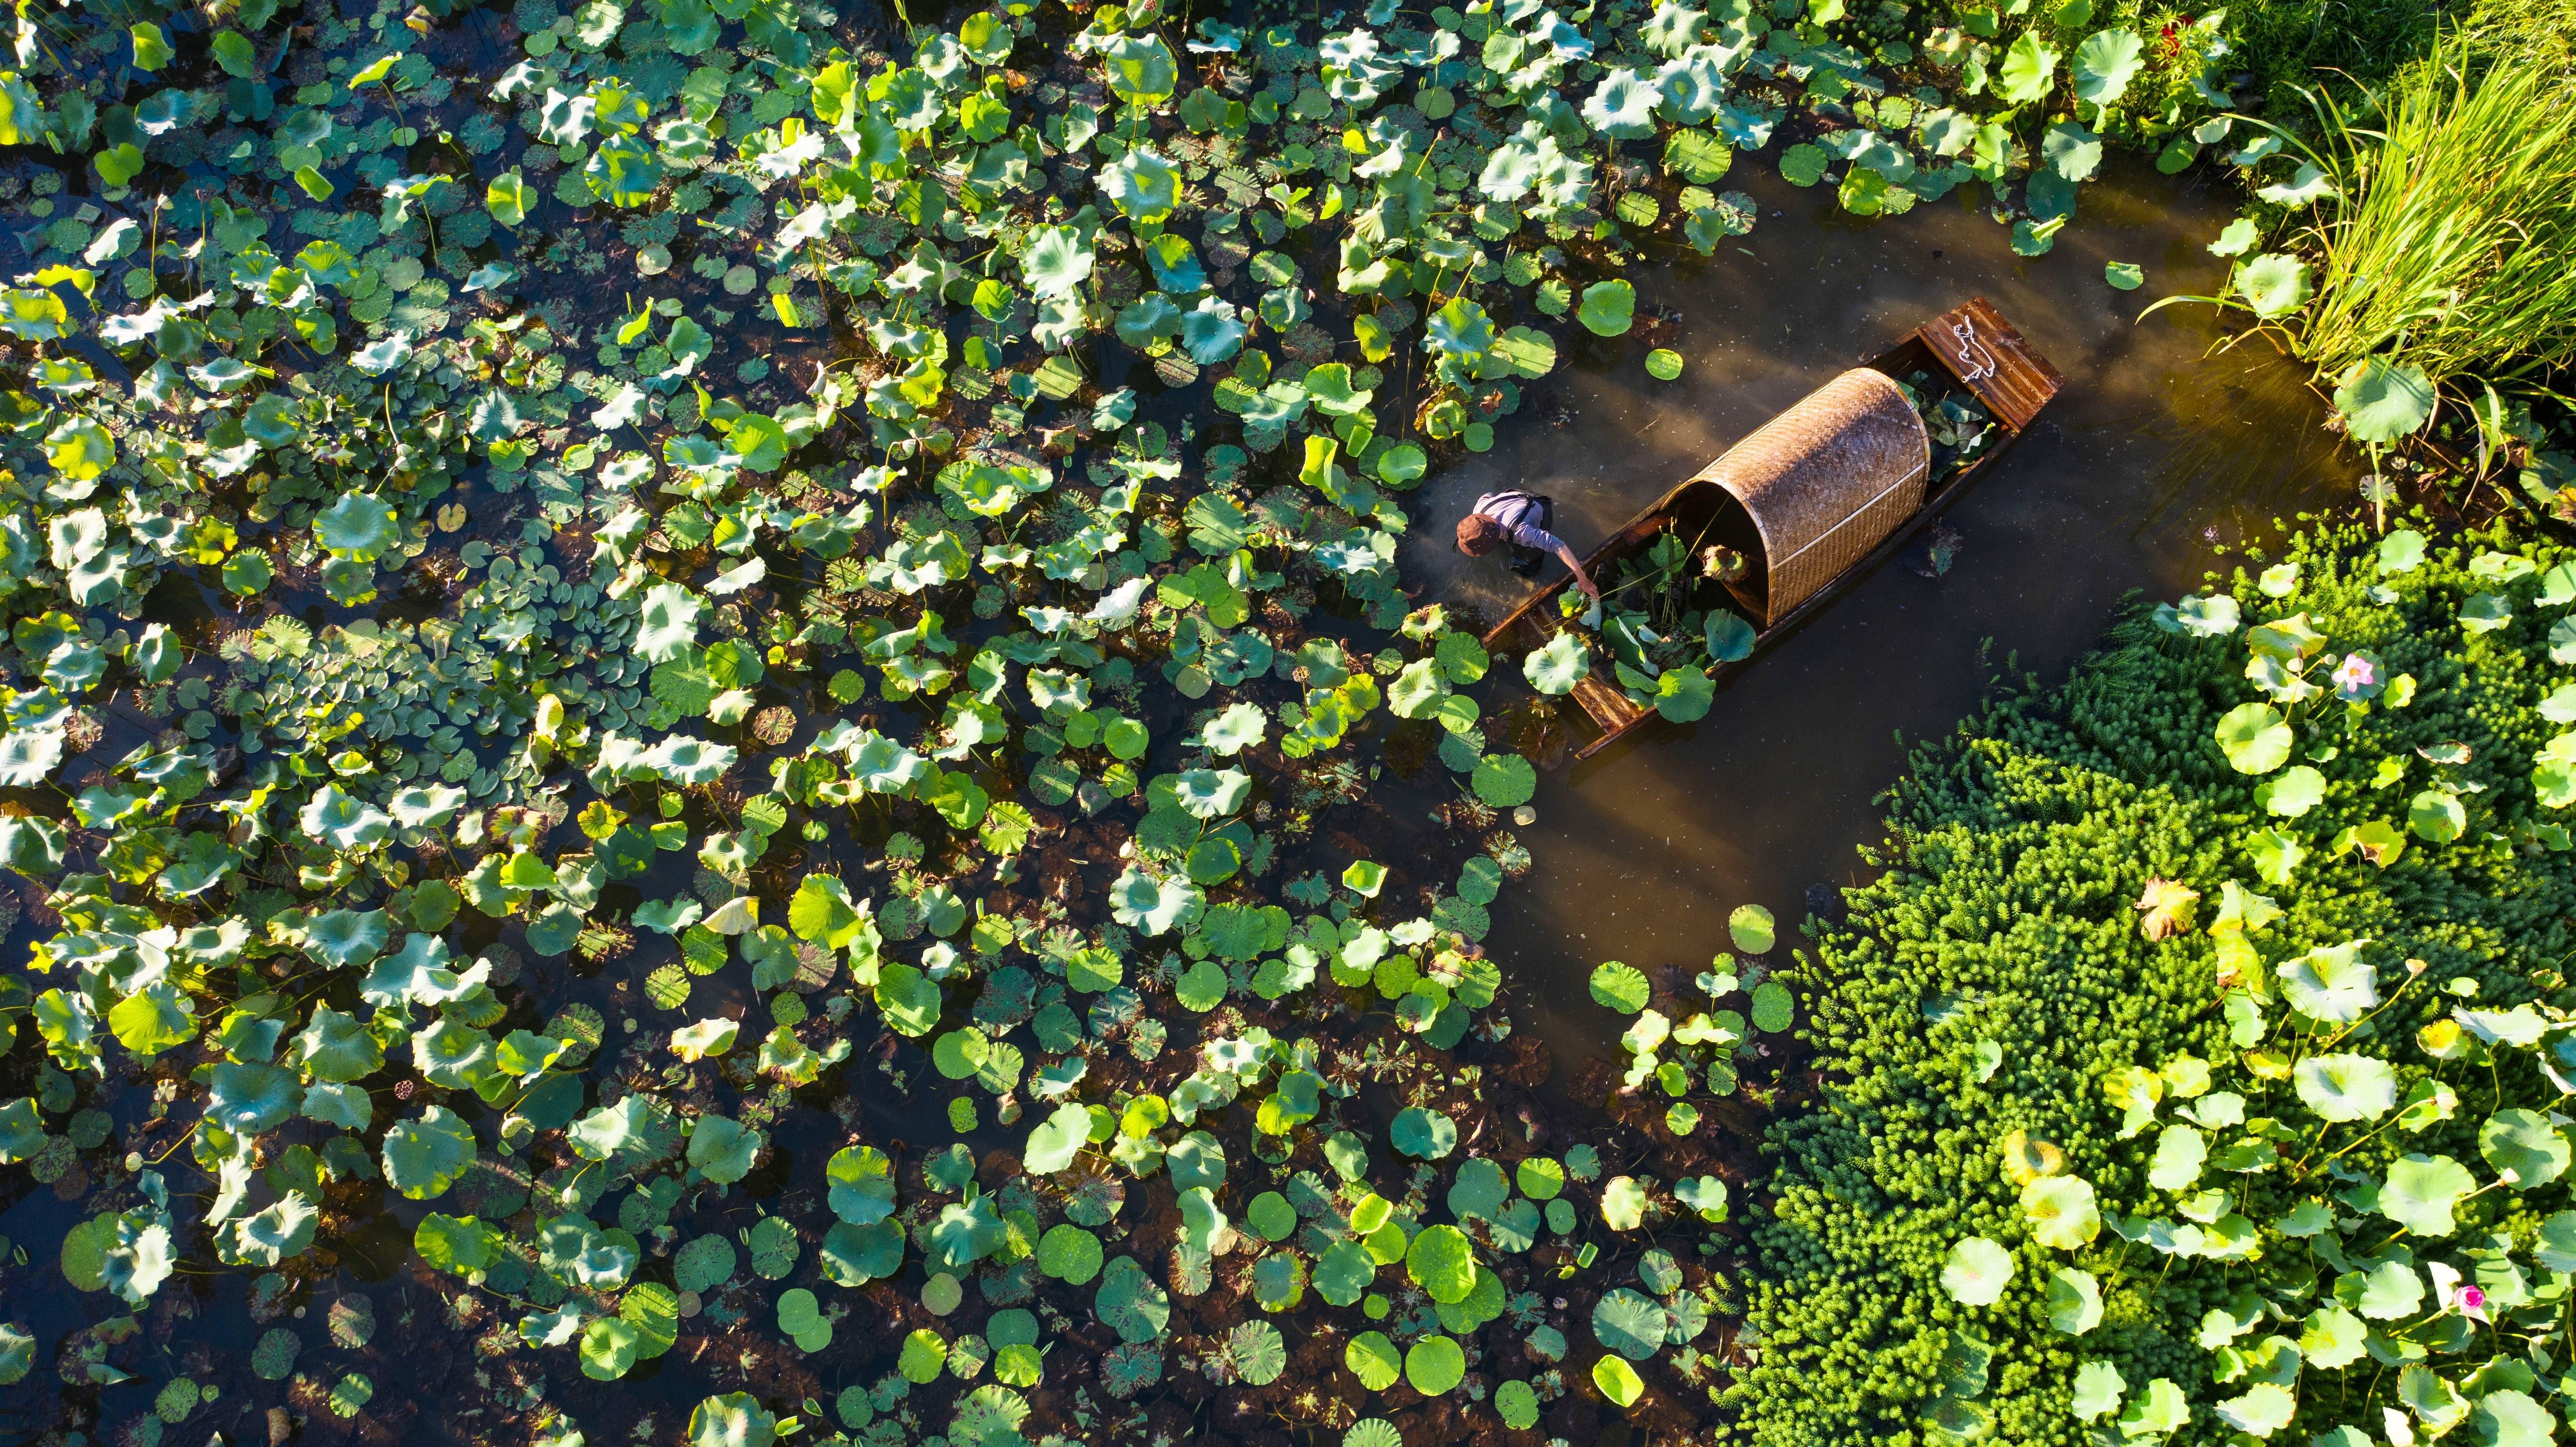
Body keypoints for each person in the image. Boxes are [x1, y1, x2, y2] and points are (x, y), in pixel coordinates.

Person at [1455, 490, 1600, 600]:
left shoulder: (1522, 533)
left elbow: (1558, 545)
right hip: (1520, 497)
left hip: (1537, 510)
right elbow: (1489, 494)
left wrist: (1581, 577)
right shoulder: (1480, 509)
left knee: (1527, 566)